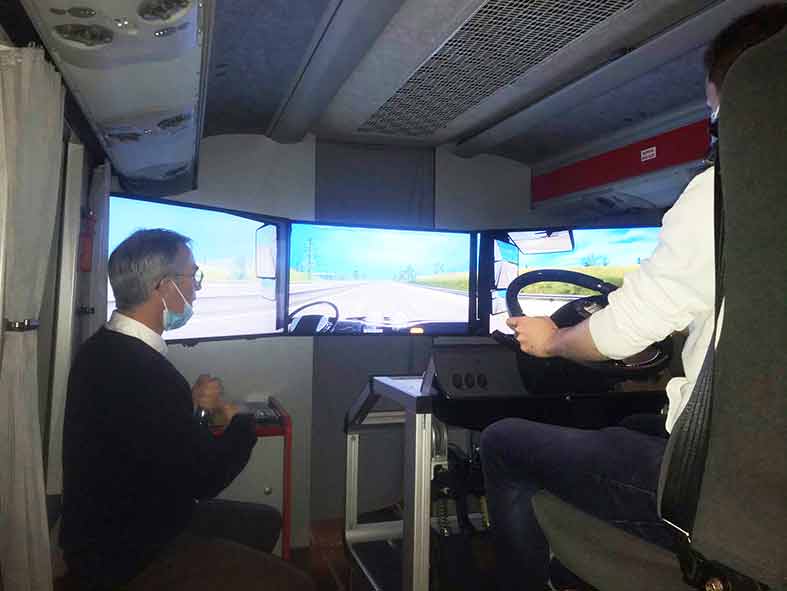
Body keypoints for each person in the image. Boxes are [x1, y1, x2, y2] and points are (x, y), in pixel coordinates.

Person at [480, 6, 787, 590]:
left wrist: (553, 339)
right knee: (634, 426)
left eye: (715, 113)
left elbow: (619, 333)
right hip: (769, 495)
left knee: (501, 444)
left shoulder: (724, 193)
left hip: (724, 504)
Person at [59, 229, 313, 590]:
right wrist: (240, 420)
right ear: (164, 287)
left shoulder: (102, 351)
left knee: (265, 521)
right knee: (298, 584)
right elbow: (205, 480)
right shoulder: (149, 374)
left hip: (109, 528)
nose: (196, 288)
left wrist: (189, 405)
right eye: (192, 276)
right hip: (133, 553)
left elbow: (145, 436)